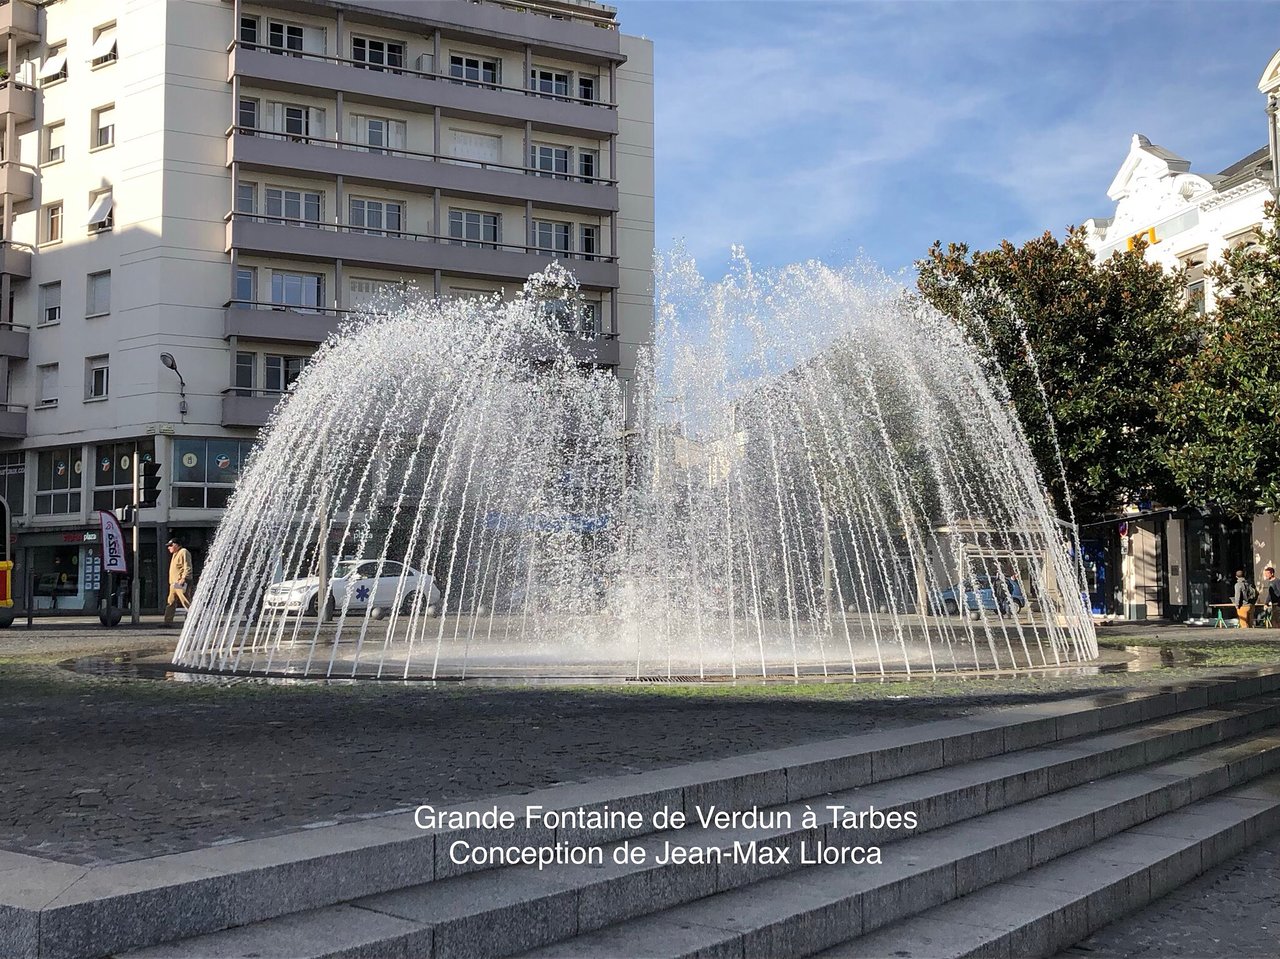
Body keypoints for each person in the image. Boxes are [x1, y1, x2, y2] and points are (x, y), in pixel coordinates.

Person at [164, 538, 193, 626]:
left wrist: (184, 578)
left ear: (176, 545)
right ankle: (167, 622)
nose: (169, 548)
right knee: (170, 602)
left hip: (180, 582)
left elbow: (187, 566)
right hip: (173, 583)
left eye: (171, 545)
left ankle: (193, 619)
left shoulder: (183, 552)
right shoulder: (175, 554)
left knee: (185, 601)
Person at [1263, 564, 1280, 629]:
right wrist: (1266, 603)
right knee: (1274, 620)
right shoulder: (1270, 582)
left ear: (1272, 573)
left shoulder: (1277, 581)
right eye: (1265, 574)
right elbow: (1270, 594)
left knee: (1276, 619)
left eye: (1267, 574)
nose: (1266, 575)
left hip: (1278, 604)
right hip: (1274, 604)